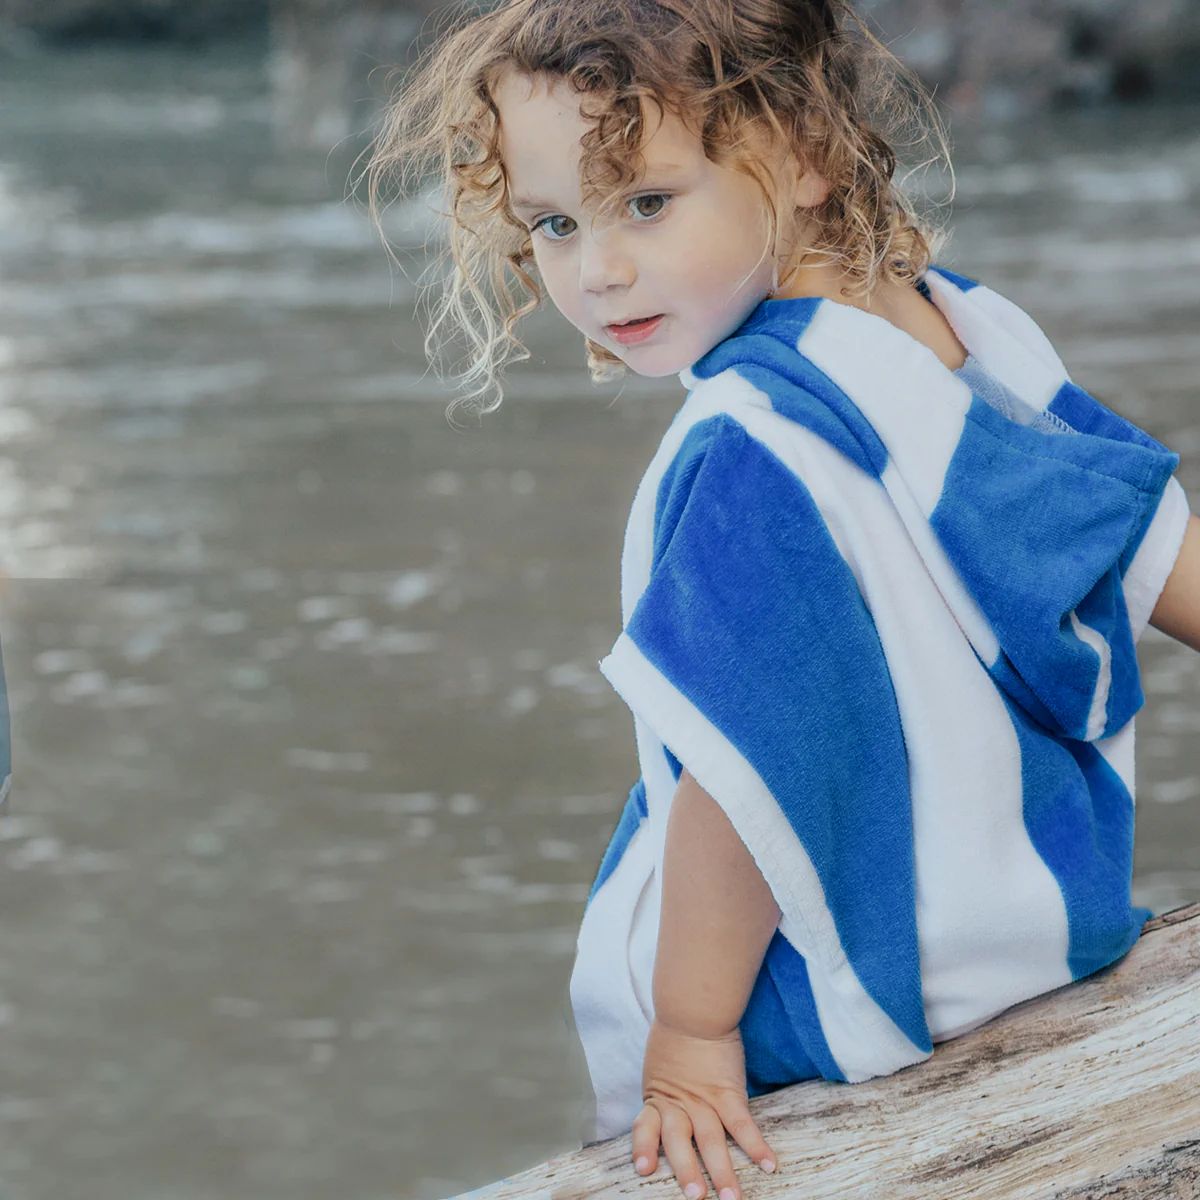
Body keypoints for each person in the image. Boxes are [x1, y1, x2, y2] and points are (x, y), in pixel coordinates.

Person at [364, 2, 1200, 1197]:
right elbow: (1153, 544)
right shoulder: (965, 324)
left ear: (804, 154)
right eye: (553, 224)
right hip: (1044, 918)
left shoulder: (749, 443)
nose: (597, 271)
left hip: (849, 988)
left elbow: (745, 768)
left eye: (646, 203)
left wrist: (692, 1037)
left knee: (651, 927)